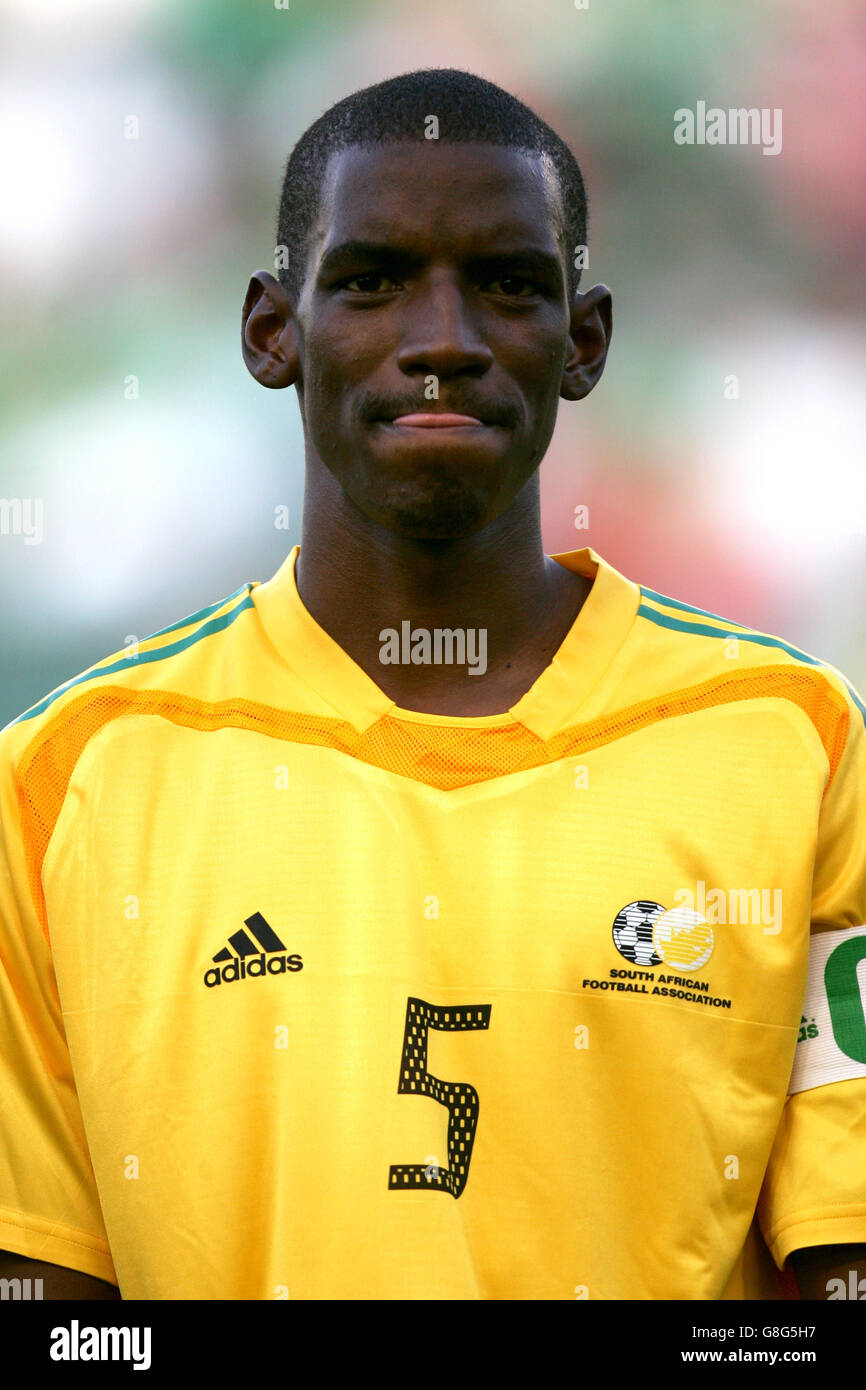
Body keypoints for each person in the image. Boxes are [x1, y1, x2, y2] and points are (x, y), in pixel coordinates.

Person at [1, 68, 864, 1301]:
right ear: (270, 331)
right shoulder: (66, 779)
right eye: (372, 280)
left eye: (507, 284)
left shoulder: (794, 744)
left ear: (584, 342)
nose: (443, 342)